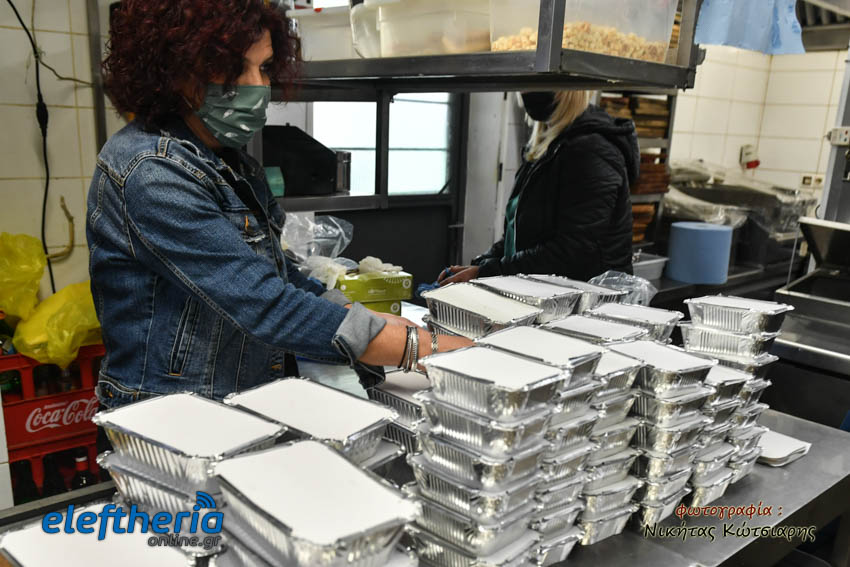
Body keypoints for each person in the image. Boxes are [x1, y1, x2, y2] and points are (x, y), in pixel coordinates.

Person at [87, 0, 471, 409]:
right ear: (174, 70)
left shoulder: (229, 161)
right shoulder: (153, 170)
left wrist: (358, 315)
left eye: (264, 68)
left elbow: (278, 275)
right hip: (172, 414)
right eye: (234, 68)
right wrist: (421, 347)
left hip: (236, 400)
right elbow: (265, 303)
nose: (258, 86)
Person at [439, 91, 637, 286]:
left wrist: (487, 272)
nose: (527, 92)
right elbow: (520, 234)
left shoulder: (591, 150)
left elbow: (572, 252)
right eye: (524, 85)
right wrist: (482, 263)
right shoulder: (544, 146)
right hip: (542, 292)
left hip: (583, 298)